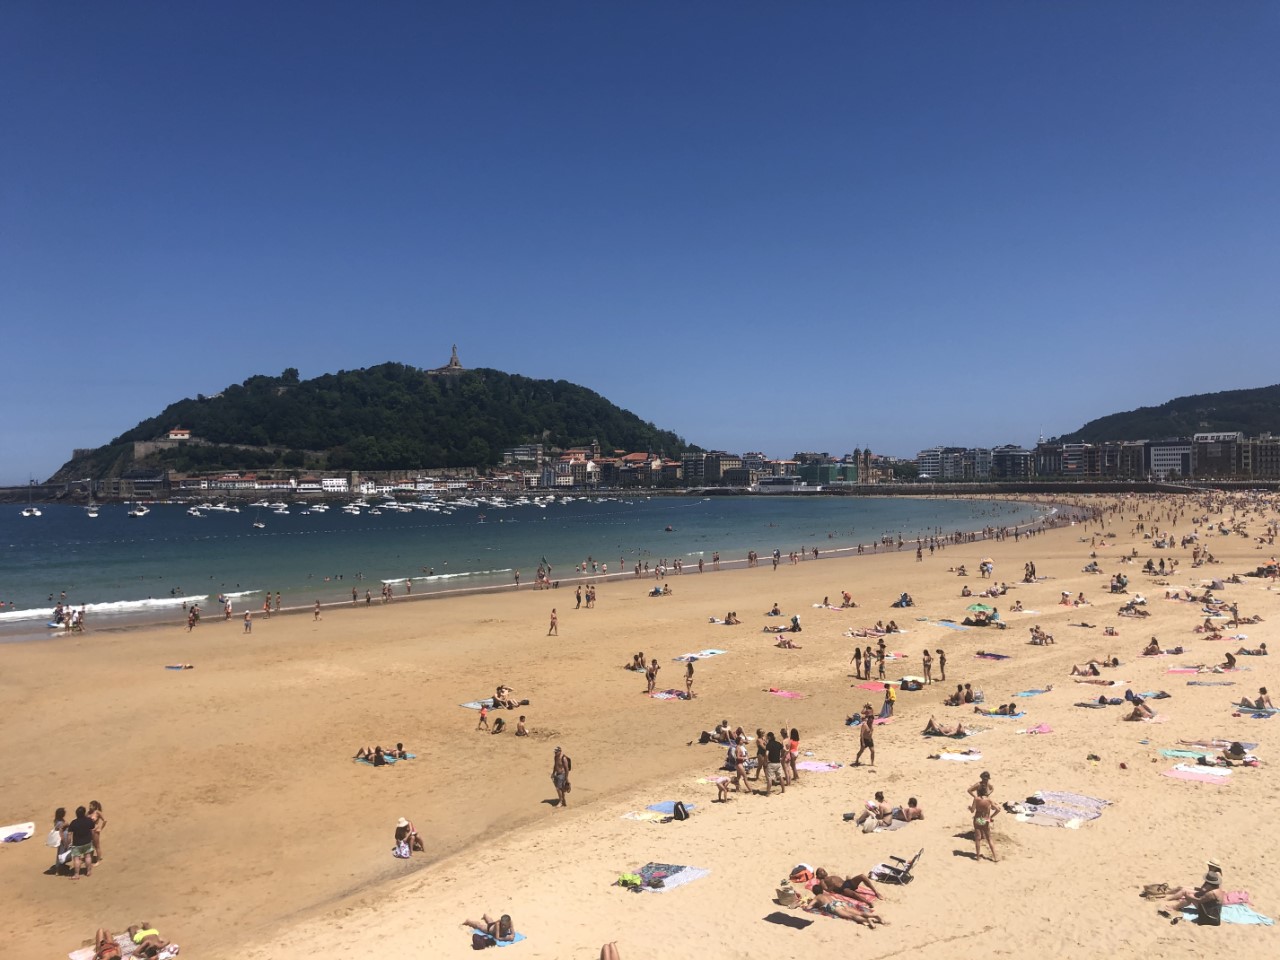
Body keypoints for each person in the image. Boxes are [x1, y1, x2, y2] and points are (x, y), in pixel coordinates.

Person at [812, 888, 885, 926]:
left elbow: (808, 907)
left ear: (814, 892)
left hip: (832, 906)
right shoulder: (827, 894)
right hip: (838, 902)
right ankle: (875, 916)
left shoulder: (817, 897)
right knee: (859, 913)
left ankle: (867, 920)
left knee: (851, 916)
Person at [969, 783, 998, 862]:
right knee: (989, 839)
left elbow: (972, 810)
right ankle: (995, 857)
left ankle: (978, 857)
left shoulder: (976, 799)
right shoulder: (989, 800)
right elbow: (998, 809)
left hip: (978, 819)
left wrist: (969, 808)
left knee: (978, 838)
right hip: (985, 819)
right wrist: (991, 817)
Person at [66, 805, 96, 879]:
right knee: (88, 856)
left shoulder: (73, 822)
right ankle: (88, 871)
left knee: (77, 859)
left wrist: (68, 843)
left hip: (77, 844)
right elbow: (92, 831)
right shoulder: (89, 820)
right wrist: (92, 839)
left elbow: (69, 834)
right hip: (87, 842)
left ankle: (77, 874)